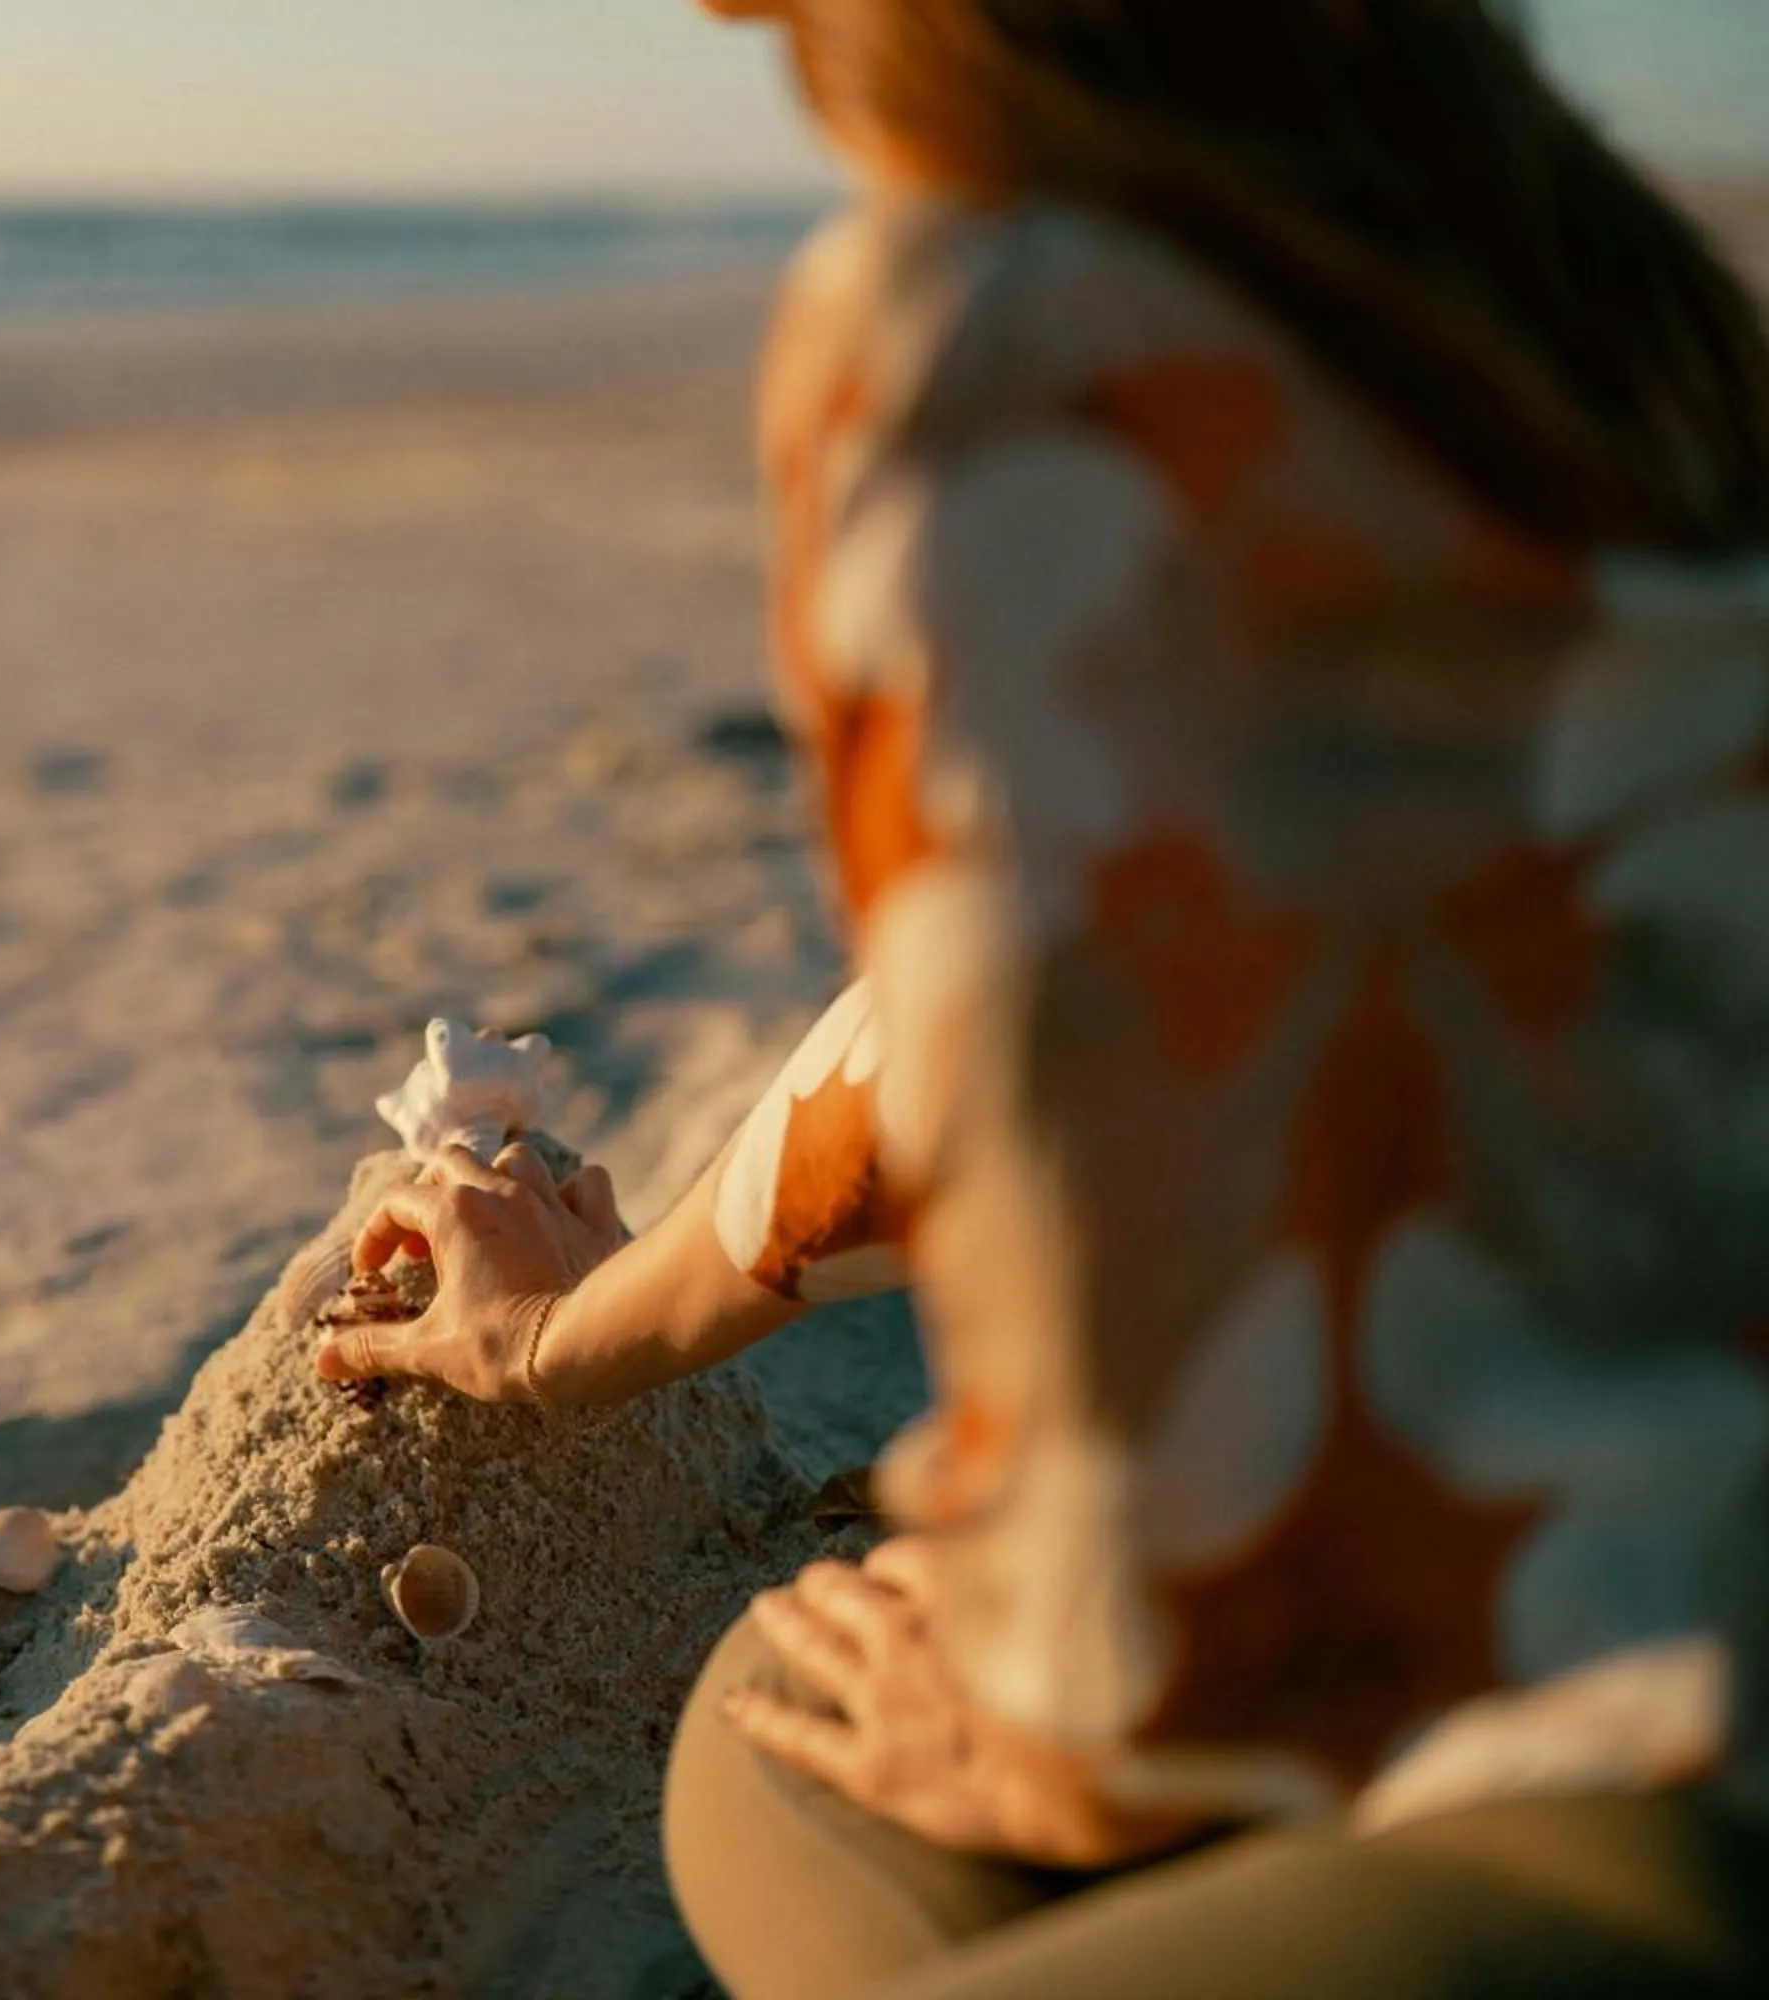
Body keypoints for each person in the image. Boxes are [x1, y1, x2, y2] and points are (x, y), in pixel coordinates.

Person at [308, 3, 1769, 1992]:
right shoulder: (1628, 305)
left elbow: (1059, 1060)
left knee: (785, 1744)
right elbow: (1027, 1006)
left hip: (1660, 1753)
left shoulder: (999, 315)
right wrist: (573, 1326)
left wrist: (1089, 1746)